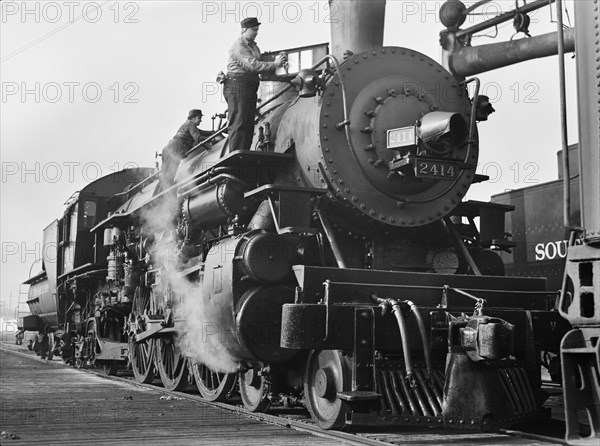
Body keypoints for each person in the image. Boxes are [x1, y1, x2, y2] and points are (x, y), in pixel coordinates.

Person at [224, 17, 287, 152]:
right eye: (253, 30)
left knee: (248, 123)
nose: (256, 32)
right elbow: (252, 65)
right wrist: (274, 64)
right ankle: (236, 155)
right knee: (239, 122)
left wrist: (275, 58)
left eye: (257, 30)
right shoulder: (238, 46)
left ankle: (244, 152)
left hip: (249, 86)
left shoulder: (254, 46)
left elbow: (259, 60)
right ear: (243, 30)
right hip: (237, 85)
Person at [160, 109, 212, 190]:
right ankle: (167, 196)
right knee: (170, 177)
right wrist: (212, 139)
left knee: (164, 177)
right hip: (175, 149)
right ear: (193, 118)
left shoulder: (187, 124)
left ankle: (158, 197)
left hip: (168, 149)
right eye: (199, 118)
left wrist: (213, 132)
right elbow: (198, 137)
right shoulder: (191, 125)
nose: (201, 120)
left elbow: (202, 132)